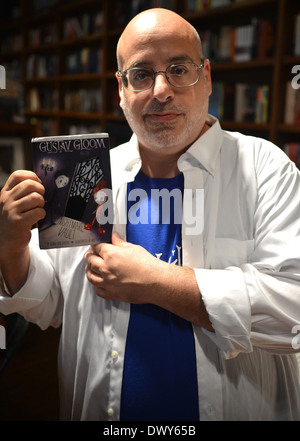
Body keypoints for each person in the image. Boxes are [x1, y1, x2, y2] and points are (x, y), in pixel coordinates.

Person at [0, 8, 300, 421]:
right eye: (141, 74)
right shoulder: (87, 172)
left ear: (206, 77)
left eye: (179, 69)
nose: (161, 90)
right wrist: (11, 244)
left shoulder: (265, 167)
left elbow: (293, 311)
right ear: (120, 89)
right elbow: (49, 302)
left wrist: (157, 283)